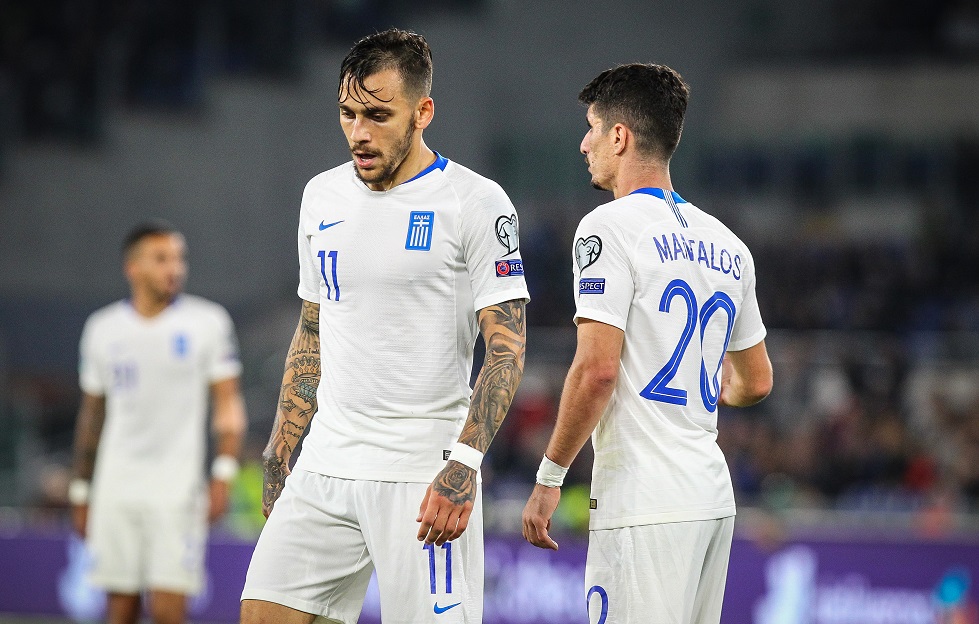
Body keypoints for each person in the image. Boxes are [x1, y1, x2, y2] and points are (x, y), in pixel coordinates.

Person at [240, 28, 529, 624]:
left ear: (423, 112)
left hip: (422, 473)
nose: (359, 133)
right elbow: (313, 329)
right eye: (348, 114)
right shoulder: (321, 196)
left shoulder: (475, 202)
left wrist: (464, 464)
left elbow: (506, 349)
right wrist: (280, 444)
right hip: (326, 462)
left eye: (378, 115)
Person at [521, 63, 773, 624]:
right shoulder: (730, 245)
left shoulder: (608, 228)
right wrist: (710, 389)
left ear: (620, 136)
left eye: (591, 127)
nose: (584, 143)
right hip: (710, 497)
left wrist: (549, 479)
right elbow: (757, 381)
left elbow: (597, 372)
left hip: (644, 502)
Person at [70, 220, 248, 624]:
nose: (175, 268)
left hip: (177, 490)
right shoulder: (102, 329)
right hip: (116, 487)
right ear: (133, 268)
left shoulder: (208, 323)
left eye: (179, 258)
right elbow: (92, 415)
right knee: (121, 609)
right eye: (161, 258)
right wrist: (81, 490)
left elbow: (228, 405)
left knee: (169, 609)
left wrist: (224, 473)